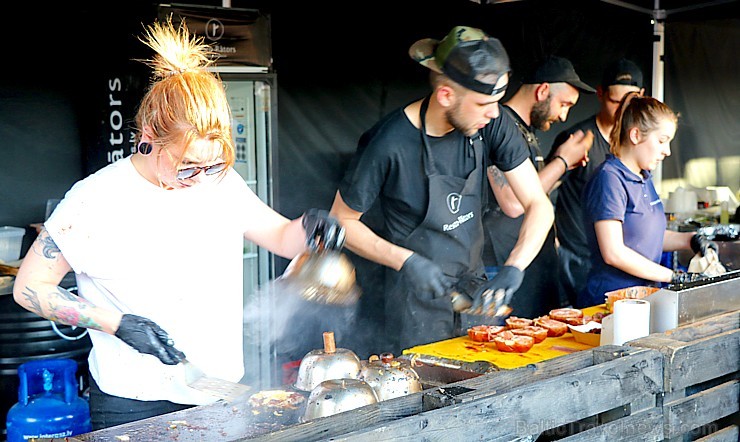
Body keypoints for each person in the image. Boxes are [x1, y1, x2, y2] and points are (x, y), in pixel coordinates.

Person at [12, 19, 342, 430]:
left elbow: (281, 238)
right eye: (188, 167)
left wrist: (311, 227)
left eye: (212, 164)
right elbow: (30, 289)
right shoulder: (94, 200)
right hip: (133, 403)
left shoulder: (220, 183)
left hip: (218, 393)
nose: (201, 179)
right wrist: (118, 325)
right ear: (149, 136)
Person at [330, 26, 554, 354]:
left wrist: (514, 267)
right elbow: (341, 221)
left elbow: (538, 204)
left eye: (497, 102)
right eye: (482, 104)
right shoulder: (389, 143)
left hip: (476, 295)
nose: (493, 112)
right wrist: (407, 261)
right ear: (446, 95)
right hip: (413, 305)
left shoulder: (493, 122)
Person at [580, 92, 717, 307]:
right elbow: (613, 252)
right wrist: (673, 276)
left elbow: (648, 237)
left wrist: (690, 240)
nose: (668, 151)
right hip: (611, 301)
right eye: (662, 141)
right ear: (635, 135)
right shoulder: (609, 179)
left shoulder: (643, 178)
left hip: (643, 298)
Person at [483, 56, 595, 317]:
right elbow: (512, 202)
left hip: (532, 265)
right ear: (543, 90)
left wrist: (567, 167)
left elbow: (533, 190)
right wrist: (563, 161)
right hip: (503, 266)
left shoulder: (525, 130)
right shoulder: (498, 125)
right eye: (564, 104)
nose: (564, 115)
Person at [549, 58, 645, 307]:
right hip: (578, 257)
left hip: (619, 260)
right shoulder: (576, 139)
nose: (623, 109)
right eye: (616, 101)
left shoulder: (638, 146)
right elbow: (540, 194)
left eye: (631, 101)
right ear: (600, 94)